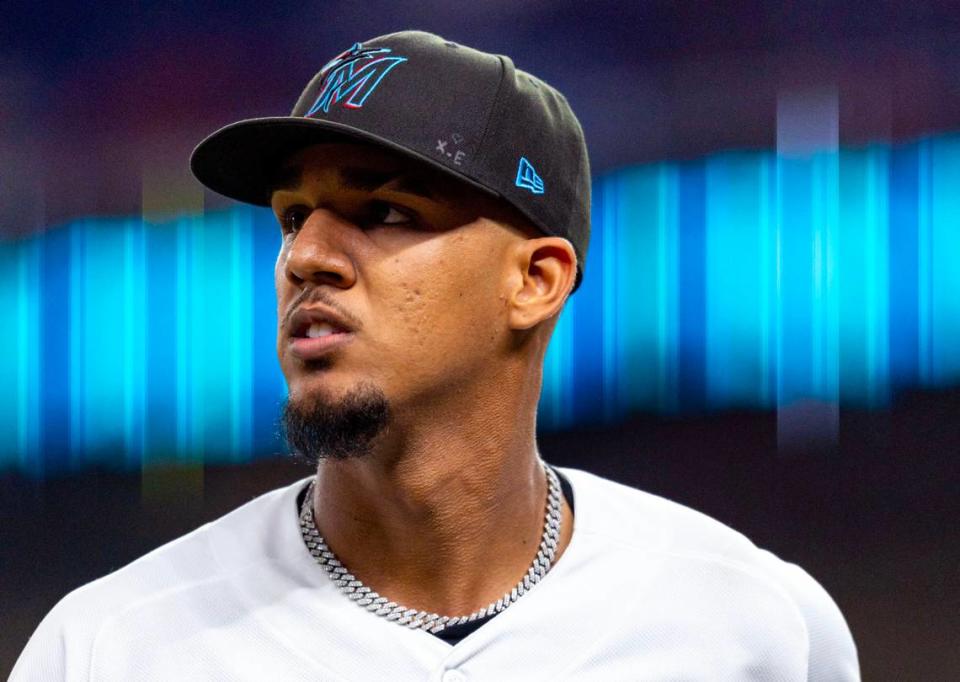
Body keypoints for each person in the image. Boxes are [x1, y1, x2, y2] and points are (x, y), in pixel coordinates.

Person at [11, 30, 859, 680]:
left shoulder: (754, 624)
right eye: (292, 217)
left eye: (383, 213)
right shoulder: (111, 647)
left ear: (535, 279)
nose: (308, 257)